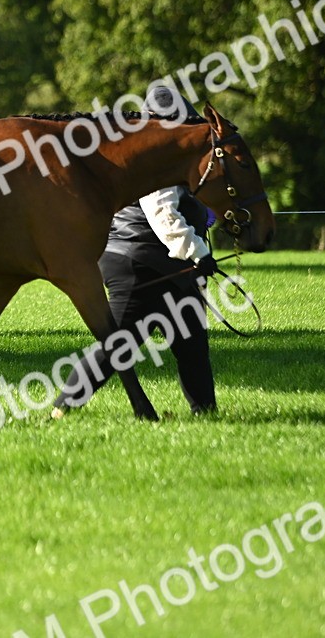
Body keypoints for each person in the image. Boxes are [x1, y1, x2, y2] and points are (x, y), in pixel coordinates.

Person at [52, 87, 219, 417]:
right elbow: (162, 215)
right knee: (117, 347)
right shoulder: (156, 158)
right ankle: (61, 408)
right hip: (141, 265)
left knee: (192, 344)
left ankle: (207, 413)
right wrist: (198, 252)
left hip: (165, 265)